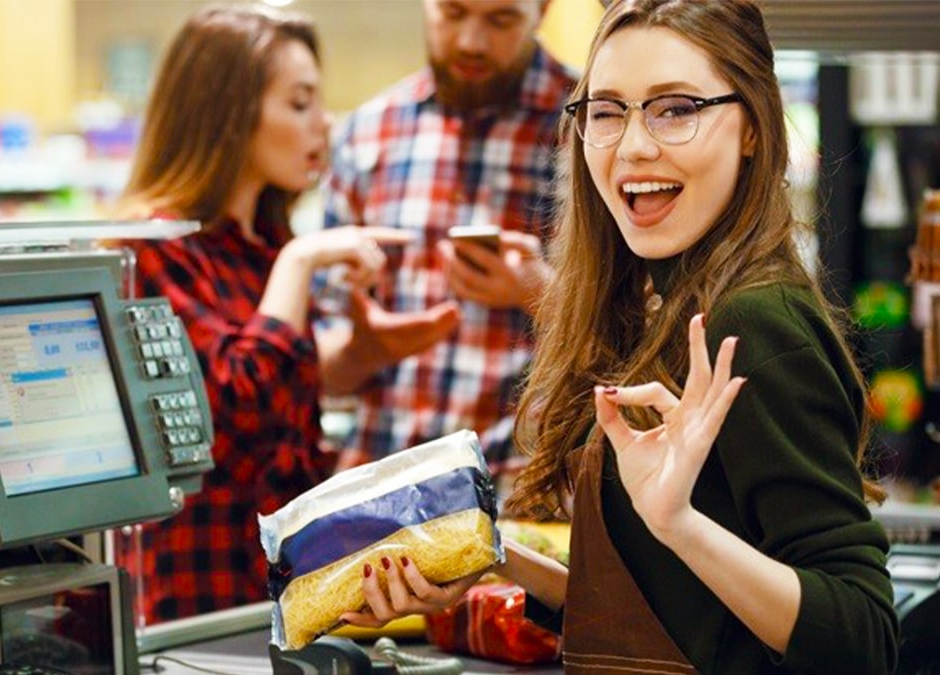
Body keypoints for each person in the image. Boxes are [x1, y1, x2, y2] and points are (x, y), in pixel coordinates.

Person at [341, 1, 900, 672]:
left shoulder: (752, 322)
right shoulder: (669, 303)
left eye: (676, 108)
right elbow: (677, 610)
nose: (634, 145)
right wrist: (490, 556)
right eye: (607, 112)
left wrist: (680, 525)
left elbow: (862, 635)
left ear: (752, 126)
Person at [112, 5, 459, 624]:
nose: (322, 125)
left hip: (278, 588)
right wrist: (300, 262)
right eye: (299, 104)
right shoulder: (151, 247)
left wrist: (362, 354)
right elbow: (227, 412)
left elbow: (280, 395)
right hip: (199, 594)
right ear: (228, 112)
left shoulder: (260, 242)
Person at [319, 0, 577, 469]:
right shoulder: (367, 133)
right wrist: (361, 352)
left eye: (500, 19)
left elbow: (647, 340)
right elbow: (320, 364)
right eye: (453, 13)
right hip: (385, 486)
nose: (470, 42)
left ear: (541, 10)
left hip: (527, 495)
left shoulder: (592, 123)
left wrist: (542, 294)